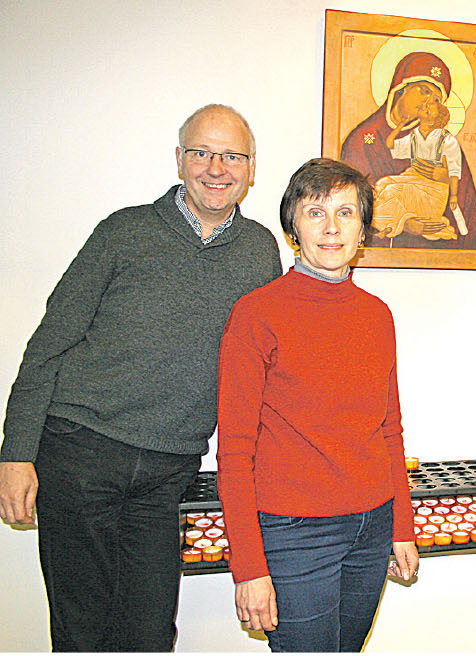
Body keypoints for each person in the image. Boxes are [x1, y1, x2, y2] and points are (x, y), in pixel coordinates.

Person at [0, 104, 281, 651]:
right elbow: (50, 343)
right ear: (179, 160)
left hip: (167, 474)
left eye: (232, 156)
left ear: (251, 170)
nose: (216, 168)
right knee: (82, 633)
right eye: (202, 152)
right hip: (79, 453)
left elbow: (265, 369)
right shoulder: (123, 232)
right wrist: (16, 454)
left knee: (149, 634)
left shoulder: (259, 252)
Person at [217, 158, 418, 652]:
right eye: (315, 212)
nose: (332, 228)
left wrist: (401, 527)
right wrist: (248, 567)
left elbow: (390, 430)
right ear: (293, 227)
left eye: (346, 213)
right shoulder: (256, 315)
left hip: (372, 526)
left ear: (362, 231)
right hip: (294, 533)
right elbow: (235, 451)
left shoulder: (377, 315)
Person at [340, 51, 476, 250]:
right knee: (386, 186)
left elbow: (467, 209)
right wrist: (405, 223)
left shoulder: (443, 139)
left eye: (436, 99)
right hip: (385, 252)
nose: (428, 102)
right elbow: (351, 206)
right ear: (402, 88)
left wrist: (445, 178)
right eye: (424, 91)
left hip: (434, 249)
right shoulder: (362, 139)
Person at [373, 97, 467, 242]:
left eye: (431, 107)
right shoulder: (415, 135)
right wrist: (400, 125)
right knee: (381, 185)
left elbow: (454, 171)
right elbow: (391, 145)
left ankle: (390, 227)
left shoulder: (447, 140)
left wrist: (454, 195)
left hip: (432, 191)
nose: (426, 107)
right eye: (425, 106)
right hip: (413, 178)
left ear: (437, 118)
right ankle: (394, 223)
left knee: (391, 191)